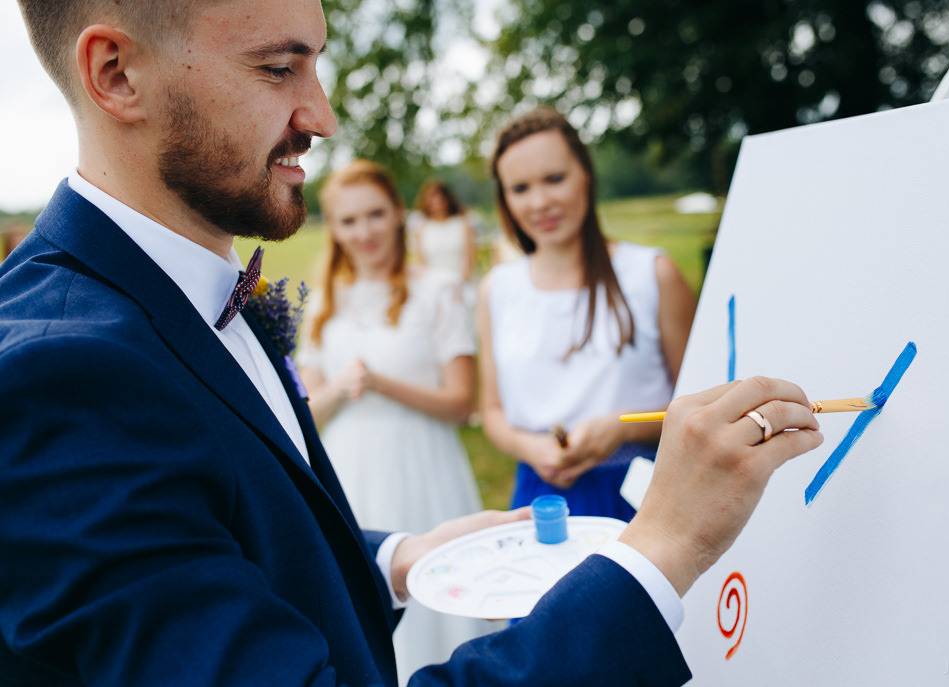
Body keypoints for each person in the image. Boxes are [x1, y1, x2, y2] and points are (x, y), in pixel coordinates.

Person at [0, 1, 824, 685]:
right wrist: (662, 550)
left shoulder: (186, 281)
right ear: (116, 73)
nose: (320, 115)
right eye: (278, 68)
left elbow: (222, 526)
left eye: (316, 64)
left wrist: (396, 556)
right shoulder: (61, 375)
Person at [298, 159, 490, 682]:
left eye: (376, 215)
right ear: (333, 227)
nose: (364, 232)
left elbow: (460, 401)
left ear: (398, 216)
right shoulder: (321, 304)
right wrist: (340, 388)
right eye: (349, 220)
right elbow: (306, 414)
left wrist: (384, 383)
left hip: (424, 464)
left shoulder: (437, 290)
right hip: (350, 471)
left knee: (437, 598)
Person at [478, 106, 699, 521]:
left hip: (645, 492)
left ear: (586, 175)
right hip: (542, 496)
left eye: (554, 179)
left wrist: (623, 427)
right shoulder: (498, 289)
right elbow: (491, 412)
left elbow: (700, 403)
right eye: (520, 188)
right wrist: (534, 449)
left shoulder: (651, 273)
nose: (540, 201)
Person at [411, 178, 478, 307]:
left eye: (440, 199)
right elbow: (421, 261)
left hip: (461, 285)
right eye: (432, 200)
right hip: (433, 287)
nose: (437, 204)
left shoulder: (463, 223)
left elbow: (469, 258)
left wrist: (460, 285)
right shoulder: (421, 228)